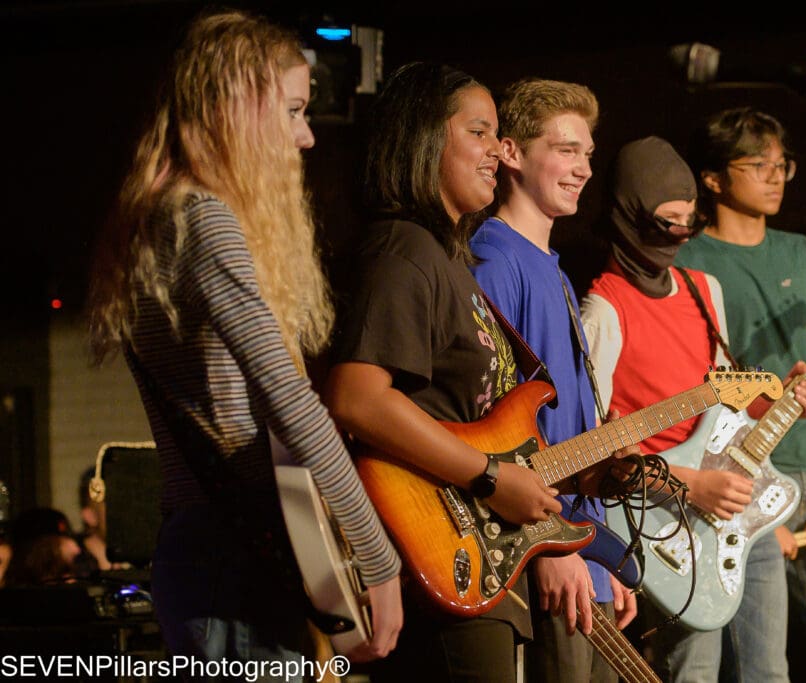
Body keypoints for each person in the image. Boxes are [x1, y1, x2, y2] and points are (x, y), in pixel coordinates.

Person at [85, 9, 402, 668]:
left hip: (201, 548)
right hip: (233, 561)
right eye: (291, 110)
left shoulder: (157, 216)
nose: (307, 136)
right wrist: (377, 557)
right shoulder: (205, 219)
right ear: (237, 109)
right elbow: (288, 397)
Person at [324, 62, 563, 683]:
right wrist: (488, 478)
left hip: (478, 550)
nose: (498, 150)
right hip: (437, 547)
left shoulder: (445, 258)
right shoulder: (403, 248)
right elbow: (357, 399)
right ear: (425, 139)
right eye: (480, 132)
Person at [580, 136, 806, 682]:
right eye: (665, 224)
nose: (678, 237)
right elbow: (591, 444)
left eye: (687, 224)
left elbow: (724, 401)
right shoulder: (604, 309)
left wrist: (784, 398)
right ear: (628, 217)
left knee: (770, 674)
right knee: (693, 674)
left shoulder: (702, 288)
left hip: (738, 506)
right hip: (666, 521)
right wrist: (689, 485)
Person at [676, 107, 806, 681]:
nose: (775, 176)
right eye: (757, 164)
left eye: (782, 164)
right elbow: (695, 388)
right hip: (736, 485)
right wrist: (761, 521)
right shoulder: (690, 262)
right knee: (758, 665)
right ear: (713, 179)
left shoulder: (802, 253)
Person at [469, 77, 636, 683]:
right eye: (566, 150)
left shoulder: (558, 274)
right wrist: (546, 542)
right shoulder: (494, 259)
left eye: (588, 154)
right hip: (543, 552)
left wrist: (604, 552)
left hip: (582, 554)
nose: (584, 168)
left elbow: (569, 431)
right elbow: (489, 433)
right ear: (511, 153)